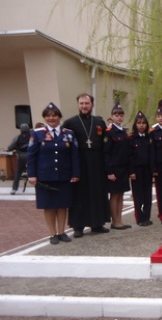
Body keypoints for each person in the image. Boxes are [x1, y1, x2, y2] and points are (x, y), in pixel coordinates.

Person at [27, 103, 79, 244]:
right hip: (45, 177)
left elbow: (74, 155)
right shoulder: (37, 134)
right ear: (44, 118)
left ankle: (62, 232)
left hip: (64, 175)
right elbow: (31, 156)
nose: (52, 118)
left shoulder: (68, 134)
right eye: (48, 116)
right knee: (49, 206)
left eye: (54, 115)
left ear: (59, 117)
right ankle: (52, 234)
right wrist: (31, 174)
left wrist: (76, 173)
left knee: (62, 205)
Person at [62, 93, 110, 237]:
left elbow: (105, 145)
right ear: (78, 105)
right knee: (80, 195)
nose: (84, 106)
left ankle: (97, 223)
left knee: (97, 193)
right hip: (79, 162)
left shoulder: (100, 123)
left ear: (92, 105)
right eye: (81, 103)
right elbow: (66, 146)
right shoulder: (70, 123)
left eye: (86, 103)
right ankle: (78, 226)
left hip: (96, 163)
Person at [104, 104, 131, 230]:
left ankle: (119, 219)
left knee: (120, 195)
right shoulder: (109, 132)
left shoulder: (123, 131)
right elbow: (106, 153)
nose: (119, 117)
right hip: (114, 169)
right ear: (112, 116)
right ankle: (114, 221)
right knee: (114, 195)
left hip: (123, 169)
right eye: (116, 115)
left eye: (121, 115)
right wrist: (109, 171)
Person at [129, 111, 153, 227]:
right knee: (138, 195)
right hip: (137, 171)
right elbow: (129, 156)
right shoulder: (132, 138)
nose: (141, 125)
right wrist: (131, 171)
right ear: (135, 125)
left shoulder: (149, 138)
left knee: (147, 194)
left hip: (147, 170)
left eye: (143, 123)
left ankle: (147, 217)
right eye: (139, 123)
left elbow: (152, 154)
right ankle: (140, 218)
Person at [7, 123, 30, 195]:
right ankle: (39, 189)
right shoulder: (32, 136)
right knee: (34, 173)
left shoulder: (17, 137)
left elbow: (10, 148)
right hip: (30, 156)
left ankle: (14, 189)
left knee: (18, 173)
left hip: (20, 157)